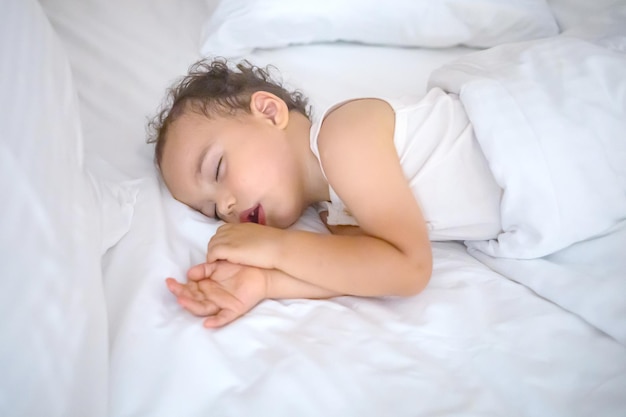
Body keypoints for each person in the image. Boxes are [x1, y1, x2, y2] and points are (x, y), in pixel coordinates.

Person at [147, 58, 502, 328]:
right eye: (210, 211)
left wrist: (274, 249)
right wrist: (263, 281)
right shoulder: (336, 216)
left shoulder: (343, 134)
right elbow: (371, 272)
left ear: (269, 112)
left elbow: (409, 268)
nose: (225, 205)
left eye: (218, 169)